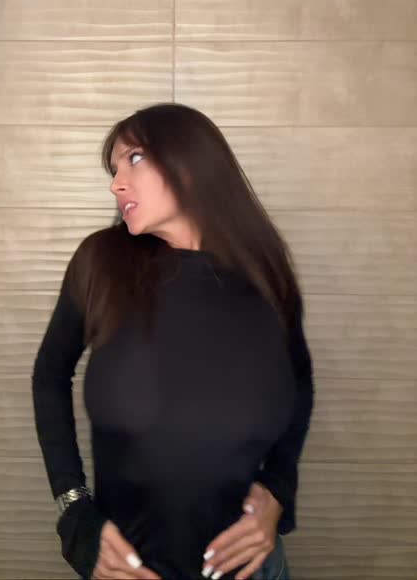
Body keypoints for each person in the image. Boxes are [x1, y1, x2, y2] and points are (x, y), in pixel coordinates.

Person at [32, 103, 315, 579]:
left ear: (192, 161)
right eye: (114, 169)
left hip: (250, 568)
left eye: (134, 158)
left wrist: (278, 489)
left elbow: (299, 383)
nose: (116, 183)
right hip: (132, 567)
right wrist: (74, 509)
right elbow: (49, 376)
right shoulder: (101, 263)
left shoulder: (265, 272)